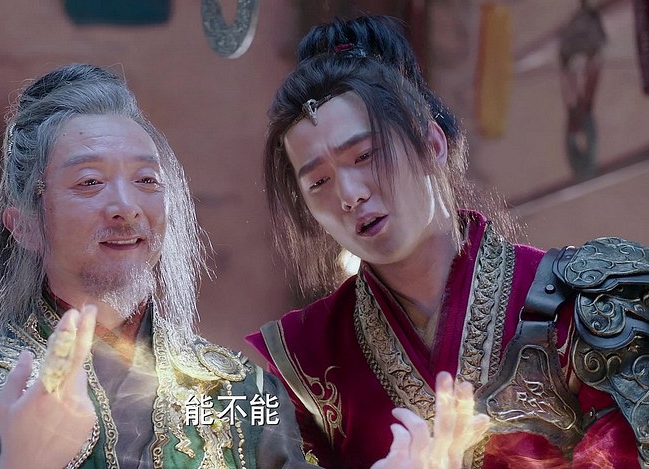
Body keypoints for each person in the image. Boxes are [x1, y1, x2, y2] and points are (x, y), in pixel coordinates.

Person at [0, 63, 485, 469]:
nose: (126, 207)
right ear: (23, 223)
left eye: (147, 181)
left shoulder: (241, 396)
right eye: (89, 183)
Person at [247, 15, 647, 469]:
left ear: (432, 144)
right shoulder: (301, 359)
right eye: (318, 182)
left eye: (365, 155)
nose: (350, 194)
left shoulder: (588, 304)